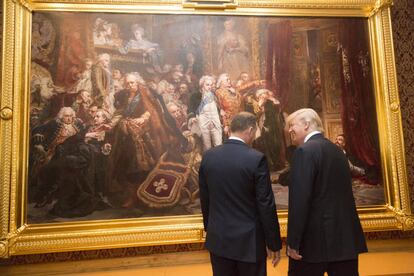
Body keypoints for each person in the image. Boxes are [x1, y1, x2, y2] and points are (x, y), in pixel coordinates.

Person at [199, 112, 282, 276]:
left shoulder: (208, 157)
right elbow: (265, 204)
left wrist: (211, 229)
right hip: (249, 243)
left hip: (219, 240)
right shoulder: (256, 159)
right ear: (250, 130)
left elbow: (205, 199)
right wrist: (274, 243)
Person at [286, 108, 367, 276]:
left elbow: (300, 201)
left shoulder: (304, 151)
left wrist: (293, 242)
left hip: (312, 245)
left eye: (292, 125)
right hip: (344, 241)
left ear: (307, 125)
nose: (289, 130)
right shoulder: (337, 151)